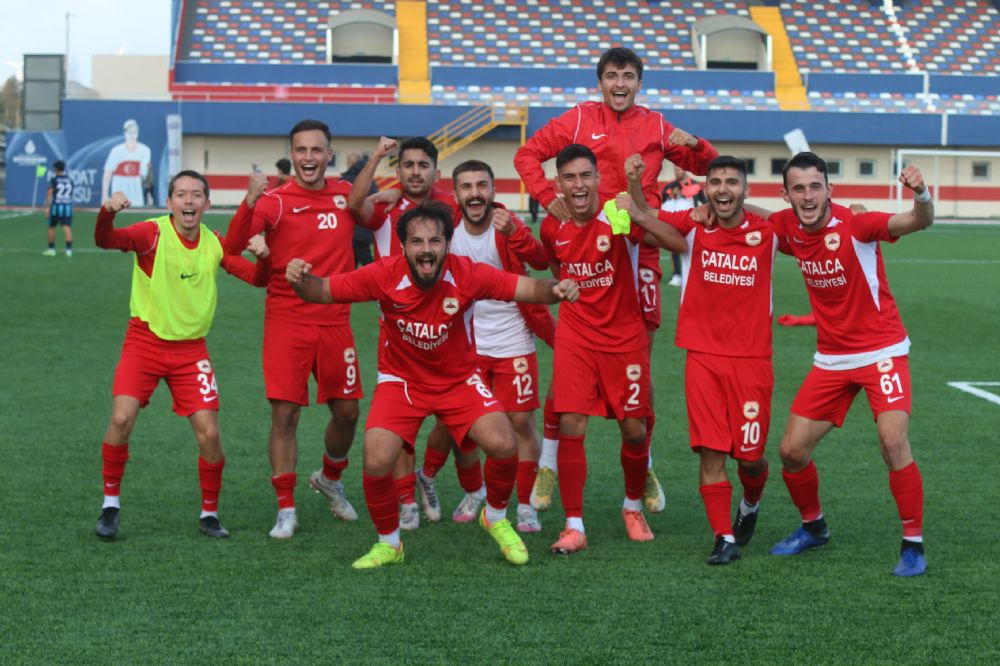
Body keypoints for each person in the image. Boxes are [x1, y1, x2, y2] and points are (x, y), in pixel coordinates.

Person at [285, 201, 580, 568]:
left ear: (447, 244)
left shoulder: (468, 273)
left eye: (435, 241)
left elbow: (529, 288)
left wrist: (558, 288)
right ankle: (390, 543)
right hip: (402, 382)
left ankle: (496, 517)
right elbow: (320, 291)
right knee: (377, 459)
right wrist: (299, 278)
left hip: (457, 380)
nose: (427, 250)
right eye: (417, 242)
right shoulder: (383, 274)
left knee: (504, 444)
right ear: (404, 246)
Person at [514, 46, 719, 514]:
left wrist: (698, 145)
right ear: (600, 82)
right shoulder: (579, 119)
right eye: (611, 76)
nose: (619, 83)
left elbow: (709, 167)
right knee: (571, 350)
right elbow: (527, 155)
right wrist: (549, 196)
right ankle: (549, 459)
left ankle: (641, 462)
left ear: (639, 82)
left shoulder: (656, 124)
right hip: (586, 244)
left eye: (628, 75)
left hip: (636, 245)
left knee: (639, 363)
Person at [765, 152, 934, 577]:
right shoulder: (785, 226)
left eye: (815, 186)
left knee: (893, 442)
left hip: (882, 350)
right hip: (832, 358)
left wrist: (922, 193)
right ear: (786, 195)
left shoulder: (857, 224)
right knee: (791, 451)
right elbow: (750, 216)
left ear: (829, 190)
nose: (808, 195)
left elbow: (918, 221)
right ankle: (813, 527)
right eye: (798, 188)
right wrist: (719, 199)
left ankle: (913, 544)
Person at [92, 170, 270, 540]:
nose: (188, 201)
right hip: (144, 342)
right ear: (169, 202)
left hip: (191, 351)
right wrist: (107, 212)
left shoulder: (214, 243)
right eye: (181, 194)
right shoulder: (152, 234)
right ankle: (110, 505)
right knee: (122, 418)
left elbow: (257, 279)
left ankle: (209, 514)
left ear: (207, 203)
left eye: (196, 195)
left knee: (209, 435)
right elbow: (105, 240)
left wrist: (264, 258)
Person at [224, 119, 369, 539]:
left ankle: (329, 477)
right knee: (285, 414)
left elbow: (383, 212)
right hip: (287, 320)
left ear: (330, 154)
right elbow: (233, 247)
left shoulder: (346, 195)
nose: (309, 158)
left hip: (335, 320)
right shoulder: (276, 201)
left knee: (348, 412)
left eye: (316, 150)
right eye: (301, 150)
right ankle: (286, 508)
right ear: (293, 153)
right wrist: (250, 202)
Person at [626, 155, 774, 565]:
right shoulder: (692, 225)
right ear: (704, 188)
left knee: (750, 456)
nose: (723, 189)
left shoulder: (767, 231)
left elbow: (802, 223)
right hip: (703, 357)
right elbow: (644, 219)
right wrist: (634, 182)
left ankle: (752, 499)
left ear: (745, 189)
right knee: (711, 452)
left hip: (752, 359)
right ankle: (723, 537)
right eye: (715, 182)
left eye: (731, 182)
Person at [539, 144, 686, 554]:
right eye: (569, 177)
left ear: (599, 179)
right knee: (571, 423)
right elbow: (557, 267)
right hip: (576, 333)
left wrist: (638, 208)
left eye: (586, 176)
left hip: (625, 338)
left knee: (635, 430)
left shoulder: (616, 215)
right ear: (559, 184)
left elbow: (676, 243)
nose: (579, 185)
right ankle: (573, 525)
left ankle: (632, 506)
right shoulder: (552, 226)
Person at [412, 160, 555, 534]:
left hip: (512, 337)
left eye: (482, 186)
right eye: (467, 187)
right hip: (462, 340)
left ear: (492, 190)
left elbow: (542, 260)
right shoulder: (446, 227)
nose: (475, 193)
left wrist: (518, 235)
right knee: (452, 420)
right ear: (456, 192)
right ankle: (443, 481)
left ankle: (523, 505)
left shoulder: (507, 224)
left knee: (521, 422)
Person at [660, 165, 707, 287]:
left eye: (679, 170)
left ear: (685, 170)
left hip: (694, 223)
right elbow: (661, 201)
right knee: (675, 248)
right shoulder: (670, 186)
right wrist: (673, 195)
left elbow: (705, 202)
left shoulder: (695, 185)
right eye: (675, 170)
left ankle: (697, 275)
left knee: (695, 250)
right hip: (676, 223)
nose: (676, 172)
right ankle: (677, 275)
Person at [102, 119, 152, 204]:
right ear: (125, 132)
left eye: (134, 131)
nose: (132, 134)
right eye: (129, 131)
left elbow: (145, 175)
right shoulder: (116, 151)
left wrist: (149, 194)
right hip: (119, 191)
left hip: (136, 193)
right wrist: (105, 195)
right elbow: (108, 173)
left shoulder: (145, 150)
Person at [340, 151, 376, 267]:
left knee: (364, 264)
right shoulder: (370, 180)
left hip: (352, 231)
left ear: (349, 163)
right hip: (366, 228)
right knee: (360, 262)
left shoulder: (345, 181)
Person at [43, 160, 73, 257]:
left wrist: (47, 207)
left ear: (56, 169)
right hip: (67, 207)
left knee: (51, 227)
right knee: (67, 227)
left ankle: (51, 249)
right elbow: (71, 193)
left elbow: (50, 193)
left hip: (56, 207)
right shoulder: (69, 180)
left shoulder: (54, 179)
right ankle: (69, 250)